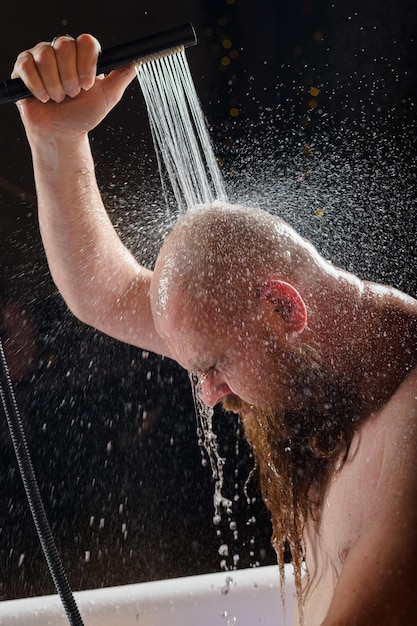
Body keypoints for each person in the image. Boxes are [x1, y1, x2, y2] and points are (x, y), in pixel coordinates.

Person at [12, 34, 417, 625]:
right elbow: (99, 291)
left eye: (213, 366)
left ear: (284, 309)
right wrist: (56, 139)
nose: (206, 392)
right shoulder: (282, 348)